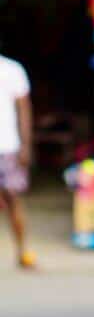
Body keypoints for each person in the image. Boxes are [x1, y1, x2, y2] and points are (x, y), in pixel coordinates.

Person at [0, 50, 35, 268]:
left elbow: (24, 110)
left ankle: (22, 252)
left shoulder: (12, 70)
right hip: (10, 146)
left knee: (13, 200)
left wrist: (26, 146)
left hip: (8, 146)